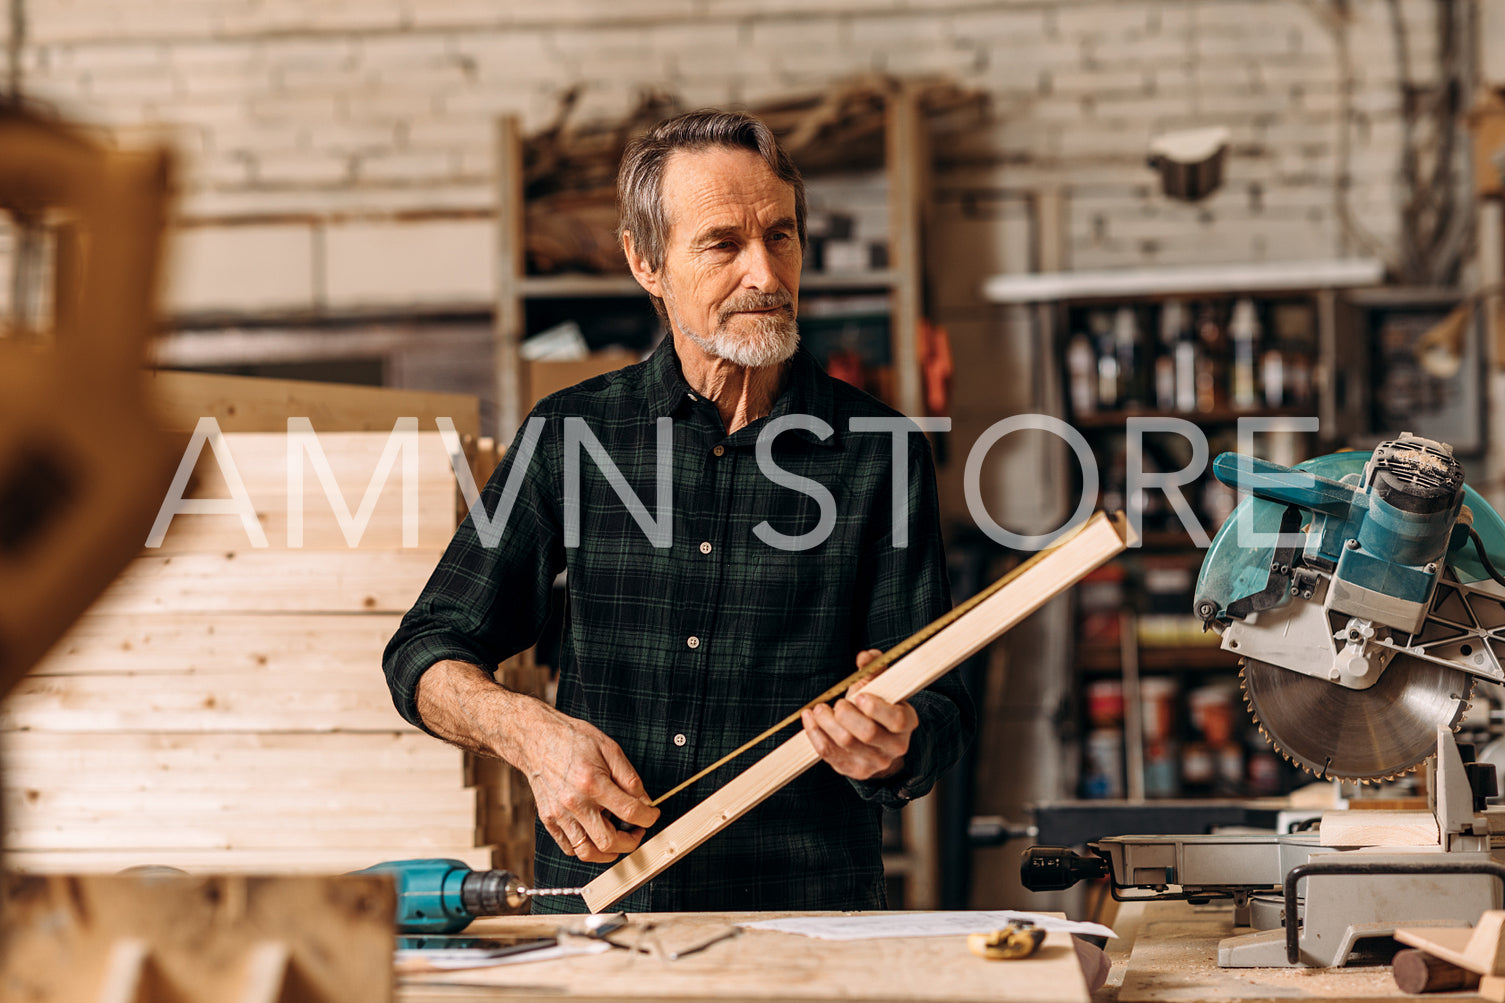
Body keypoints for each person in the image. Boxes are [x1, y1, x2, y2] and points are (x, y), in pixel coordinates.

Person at [383, 109, 974, 913]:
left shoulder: (878, 449)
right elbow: (423, 652)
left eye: (781, 236)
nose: (765, 274)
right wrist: (531, 736)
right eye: (723, 243)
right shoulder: (570, 434)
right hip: (602, 920)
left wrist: (895, 743)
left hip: (802, 920)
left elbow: (943, 707)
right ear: (645, 261)